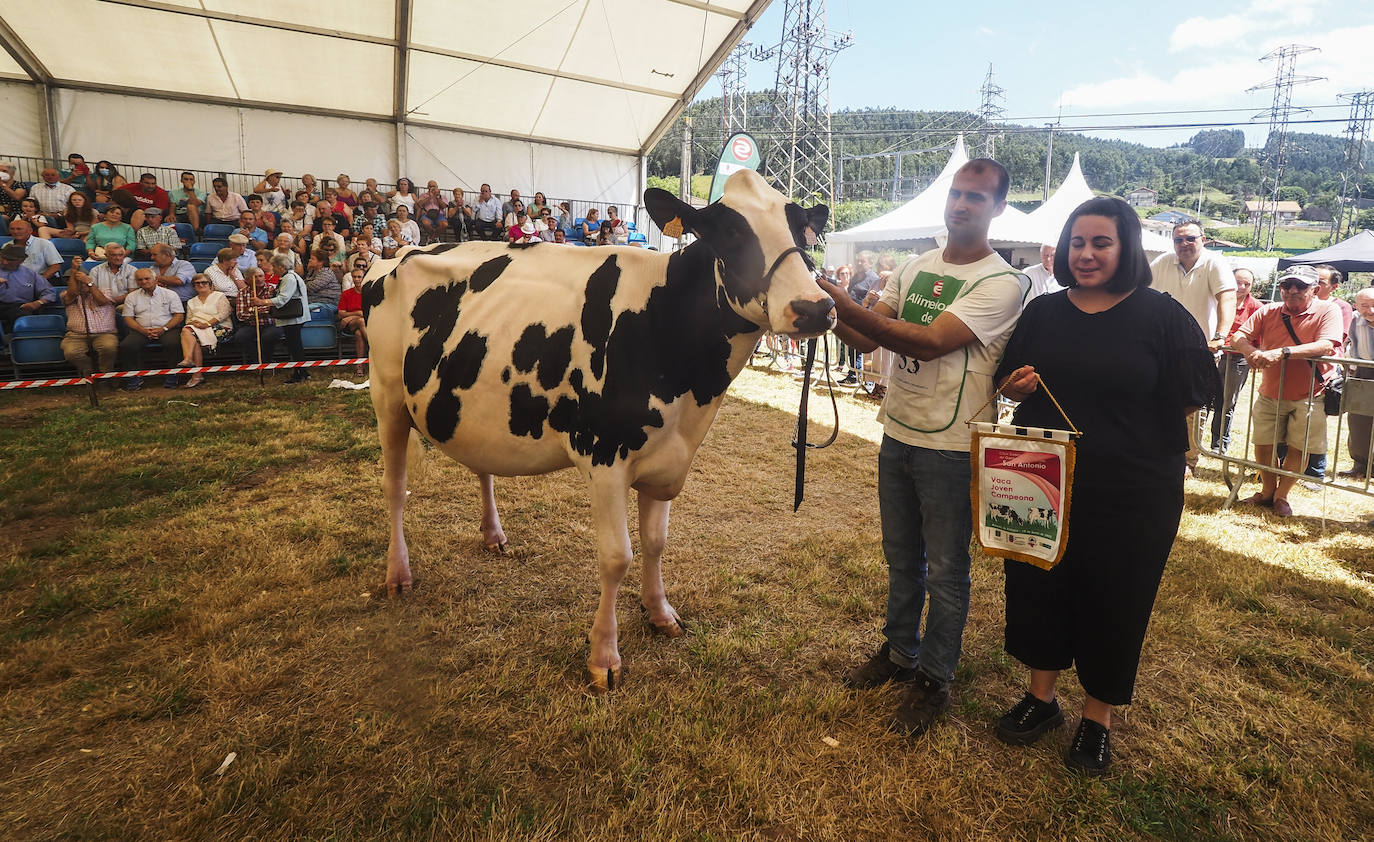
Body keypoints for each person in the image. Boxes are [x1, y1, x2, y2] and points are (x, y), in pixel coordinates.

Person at [991, 196, 1216, 775]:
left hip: (1134, 490)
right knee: (1040, 585)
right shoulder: (1042, 313)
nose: (1086, 254)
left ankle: (1097, 718)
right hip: (1044, 481)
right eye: (1077, 243)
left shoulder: (1162, 314)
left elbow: (1196, 392)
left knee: (1116, 598)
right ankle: (1040, 699)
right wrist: (1015, 387)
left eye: (1101, 243)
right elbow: (1007, 380)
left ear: (1127, 248)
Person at [818, 158, 1029, 739]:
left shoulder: (1001, 283)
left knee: (946, 571)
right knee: (900, 557)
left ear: (998, 209)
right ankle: (898, 653)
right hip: (898, 431)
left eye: (976, 198)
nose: (961, 205)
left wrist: (838, 299)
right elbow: (867, 333)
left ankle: (935, 678)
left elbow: (932, 343)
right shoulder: (915, 266)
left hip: (954, 445)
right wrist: (827, 312)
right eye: (957, 194)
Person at [1230, 265, 1343, 518]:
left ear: (1314, 289)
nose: (1292, 290)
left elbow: (1327, 344)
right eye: (1287, 285)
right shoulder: (1268, 310)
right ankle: (1267, 491)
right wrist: (1251, 352)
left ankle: (1283, 495)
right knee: (1263, 444)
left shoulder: (1329, 310)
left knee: (1298, 447)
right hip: (1270, 392)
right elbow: (1239, 337)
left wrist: (1282, 352)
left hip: (1311, 394)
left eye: (1300, 286)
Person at [1149, 218, 1236, 477]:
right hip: (1162, 349)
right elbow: (1141, 296)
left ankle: (1188, 460)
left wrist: (1220, 335)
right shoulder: (1162, 262)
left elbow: (1227, 298)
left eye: (1190, 239)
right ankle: (1158, 450)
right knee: (1155, 401)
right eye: (1178, 240)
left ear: (1203, 240)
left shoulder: (1215, 262)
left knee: (1193, 407)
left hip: (1200, 351)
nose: (1184, 244)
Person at [1210, 267, 1264, 453]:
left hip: (1238, 360)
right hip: (1214, 355)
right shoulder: (1218, 300)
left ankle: (1219, 443)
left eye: (1246, 284)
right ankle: (1195, 441)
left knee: (1227, 402)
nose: (1241, 287)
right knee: (1203, 397)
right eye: (1237, 282)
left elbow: (1260, 336)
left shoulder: (1256, 307)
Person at [119, 267, 186, 390]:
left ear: (155, 279)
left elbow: (179, 316)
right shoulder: (132, 297)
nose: (144, 282)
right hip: (141, 329)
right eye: (140, 280)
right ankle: (135, 376)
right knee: (127, 345)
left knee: (173, 343)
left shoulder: (170, 294)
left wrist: (164, 329)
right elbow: (128, 318)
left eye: (147, 278)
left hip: (167, 328)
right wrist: (142, 330)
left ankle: (173, 374)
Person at [252, 254, 311, 383]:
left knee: (295, 346)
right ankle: (303, 372)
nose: (273, 269)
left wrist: (263, 302)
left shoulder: (289, 278)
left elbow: (283, 298)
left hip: (294, 318)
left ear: (282, 267)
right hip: (292, 317)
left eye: (274, 266)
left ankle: (299, 373)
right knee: (295, 346)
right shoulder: (288, 277)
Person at [60, 257, 119, 379]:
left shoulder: (105, 291)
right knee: (71, 352)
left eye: (82, 280)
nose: (81, 284)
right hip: (75, 335)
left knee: (109, 347)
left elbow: (102, 301)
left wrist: (89, 283)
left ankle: (105, 377)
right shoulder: (66, 294)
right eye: (77, 282)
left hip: (105, 333)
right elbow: (72, 294)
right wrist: (74, 271)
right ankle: (89, 371)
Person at [1340, 287, 1374, 480]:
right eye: (1365, 306)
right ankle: (1360, 465)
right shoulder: (1352, 319)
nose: (1371, 310)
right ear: (1356, 306)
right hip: (1363, 371)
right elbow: (1341, 342)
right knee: (1359, 421)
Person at [177, 274, 231, 388]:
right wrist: (195, 324)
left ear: (210, 284)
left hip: (220, 327)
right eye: (197, 283)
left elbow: (224, 314)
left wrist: (206, 324)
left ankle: (190, 363)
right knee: (189, 331)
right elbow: (188, 320)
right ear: (194, 286)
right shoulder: (191, 301)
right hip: (196, 328)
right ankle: (196, 372)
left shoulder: (219, 296)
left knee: (190, 333)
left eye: (204, 282)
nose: (201, 285)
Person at [230, 266, 281, 365]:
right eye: (255, 277)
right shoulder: (242, 293)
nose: (258, 279)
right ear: (247, 280)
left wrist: (253, 310)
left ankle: (267, 361)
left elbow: (274, 309)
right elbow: (241, 315)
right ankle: (258, 360)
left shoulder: (272, 290)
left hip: (271, 324)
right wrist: (262, 311)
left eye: (261, 276)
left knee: (269, 336)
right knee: (240, 337)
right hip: (251, 325)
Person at [0, 240, 56, 330]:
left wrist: (38, 302)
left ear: (21, 260)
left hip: (19, 307)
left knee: (24, 317)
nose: (5, 262)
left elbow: (49, 291)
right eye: (3, 258)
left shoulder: (30, 274)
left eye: (10, 260)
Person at [339, 267, 368, 374]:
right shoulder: (346, 294)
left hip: (367, 324)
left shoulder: (368, 293)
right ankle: (374, 348)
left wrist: (351, 316)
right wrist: (358, 314)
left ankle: (359, 366)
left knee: (359, 334)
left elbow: (370, 313)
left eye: (359, 277)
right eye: (354, 277)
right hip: (349, 325)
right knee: (361, 321)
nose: (356, 279)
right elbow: (341, 313)